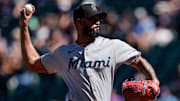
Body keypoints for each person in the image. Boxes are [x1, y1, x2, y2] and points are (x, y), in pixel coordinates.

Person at [19, 3, 160, 101]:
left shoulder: (113, 46)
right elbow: (33, 63)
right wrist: (24, 27)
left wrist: (154, 80)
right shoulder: (64, 53)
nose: (97, 22)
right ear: (79, 22)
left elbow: (139, 61)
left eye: (98, 19)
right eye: (92, 19)